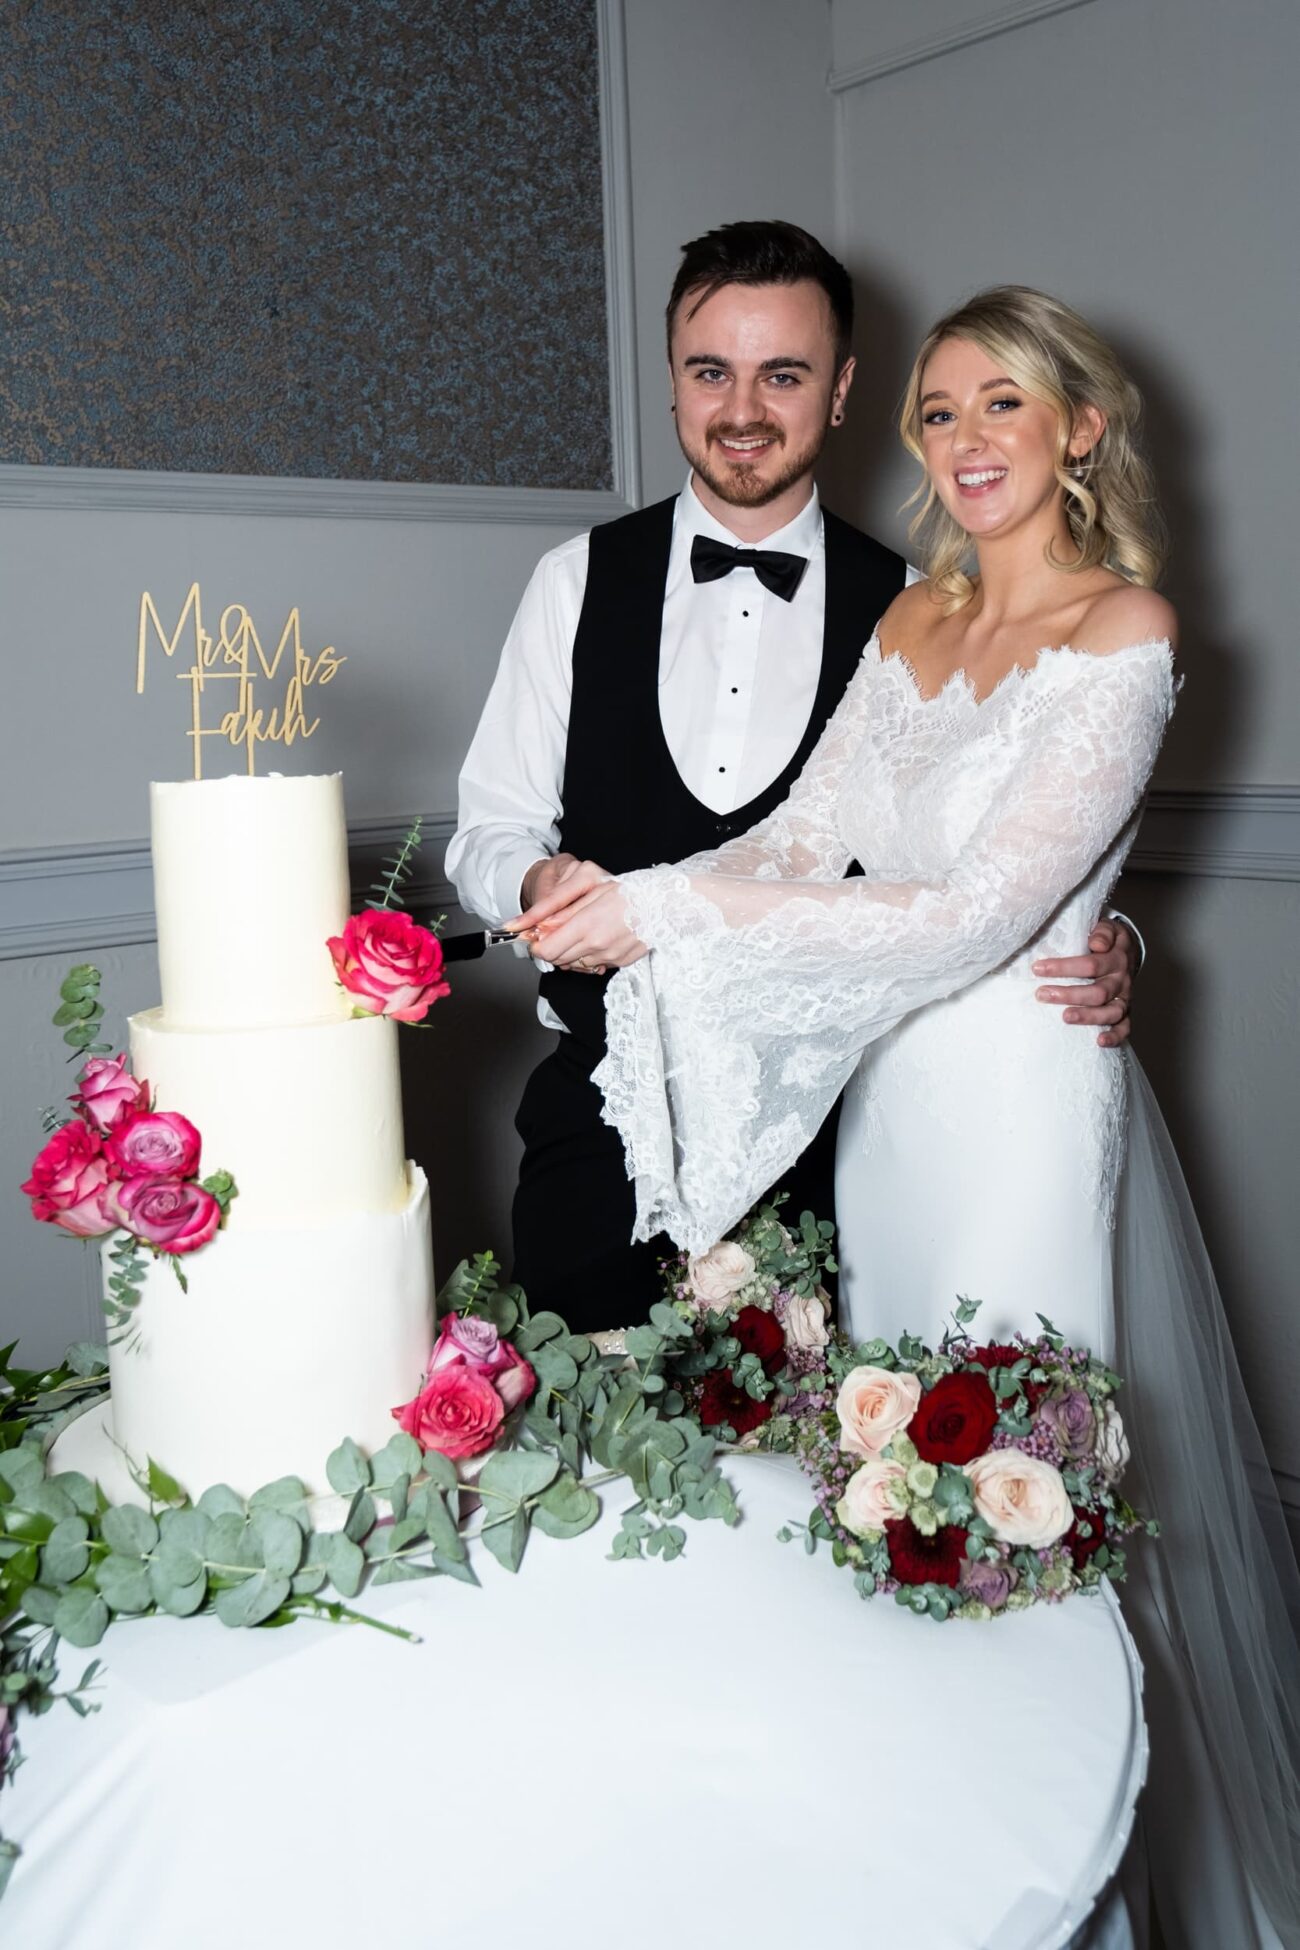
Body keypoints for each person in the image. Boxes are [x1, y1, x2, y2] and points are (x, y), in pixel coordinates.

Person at [513, 284, 1300, 1950]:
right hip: (897, 1116)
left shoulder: (1128, 626)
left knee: (1034, 1502)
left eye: (1000, 405)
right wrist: (624, 889)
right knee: (900, 1474)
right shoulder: (914, 625)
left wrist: (669, 922)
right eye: (938, 414)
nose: (963, 443)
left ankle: (1093, 1897)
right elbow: (805, 847)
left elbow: (979, 913)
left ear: (1082, 427)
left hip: (1018, 1111)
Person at [447, 224, 1139, 1332]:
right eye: (709, 370)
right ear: (671, 379)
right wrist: (540, 886)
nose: (741, 410)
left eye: (784, 374)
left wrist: (1102, 941)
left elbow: (997, 861)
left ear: (843, 390)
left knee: (831, 1473)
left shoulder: (926, 606)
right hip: (605, 1099)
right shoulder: (572, 580)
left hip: (839, 1117)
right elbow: (484, 830)